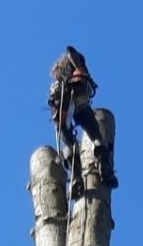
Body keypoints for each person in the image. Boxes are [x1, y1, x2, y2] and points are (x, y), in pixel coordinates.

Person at [47, 46, 117, 197]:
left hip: (65, 102)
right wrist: (79, 70)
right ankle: (102, 165)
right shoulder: (73, 63)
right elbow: (70, 50)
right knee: (95, 135)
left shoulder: (60, 79)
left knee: (69, 142)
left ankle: (76, 177)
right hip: (76, 96)